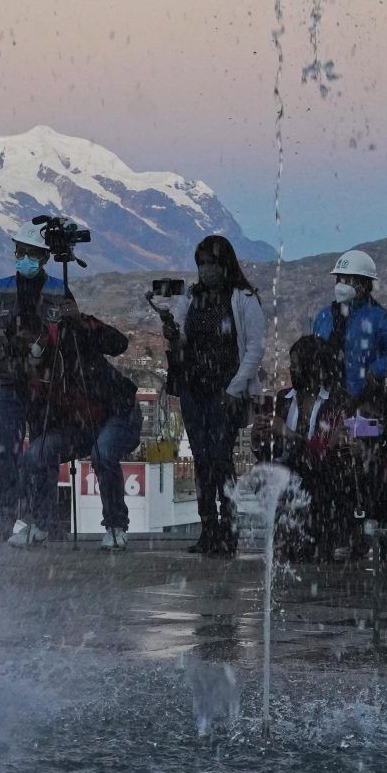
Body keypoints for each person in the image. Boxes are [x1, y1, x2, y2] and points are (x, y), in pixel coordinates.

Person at [154, 234, 267, 556]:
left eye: (211, 264)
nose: (206, 271)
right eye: (201, 264)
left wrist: (235, 388)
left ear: (224, 264)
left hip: (225, 390)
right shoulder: (192, 297)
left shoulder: (243, 298)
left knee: (220, 458)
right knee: (202, 460)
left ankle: (228, 528)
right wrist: (173, 336)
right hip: (194, 387)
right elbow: (181, 338)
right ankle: (209, 528)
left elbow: (254, 347)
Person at [19, 288, 140, 550]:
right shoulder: (37, 355)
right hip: (78, 426)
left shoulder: (80, 334)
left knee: (103, 452)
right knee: (36, 454)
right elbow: (37, 409)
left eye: (55, 309)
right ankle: (39, 524)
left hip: (117, 414)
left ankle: (116, 525)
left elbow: (119, 343)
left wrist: (80, 322)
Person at [310, 249, 387, 531]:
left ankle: (364, 523)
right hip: (330, 405)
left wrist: (376, 371)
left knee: (363, 465)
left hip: (365, 406)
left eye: (348, 279)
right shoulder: (324, 316)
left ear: (363, 284)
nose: (341, 284)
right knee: (330, 465)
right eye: (339, 278)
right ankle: (338, 527)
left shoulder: (378, 318)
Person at [0, 234, 61, 541]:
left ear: (44, 256)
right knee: (6, 452)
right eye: (18, 252)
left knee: (41, 451)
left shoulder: (58, 291)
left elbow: (69, 339)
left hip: (44, 385)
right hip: (5, 380)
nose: (21, 258)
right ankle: (4, 516)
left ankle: (41, 520)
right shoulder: (1, 289)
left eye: (28, 253)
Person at [250, 334, 366, 559]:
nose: (291, 370)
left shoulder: (338, 403)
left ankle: (318, 537)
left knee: (314, 553)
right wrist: (259, 438)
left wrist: (288, 434)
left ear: (313, 367)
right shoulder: (284, 399)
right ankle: (290, 534)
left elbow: (325, 455)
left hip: (325, 486)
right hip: (292, 481)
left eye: (295, 366)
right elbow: (271, 454)